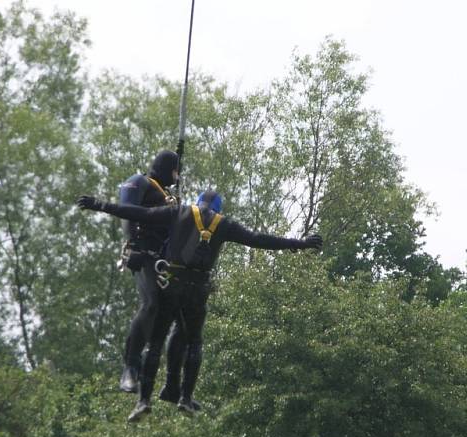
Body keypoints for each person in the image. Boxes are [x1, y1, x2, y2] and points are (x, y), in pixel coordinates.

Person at [77, 190, 323, 422]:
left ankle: (143, 401)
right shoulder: (224, 225)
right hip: (197, 290)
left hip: (171, 284)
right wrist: (299, 243)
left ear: (198, 201)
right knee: (193, 342)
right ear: (217, 208)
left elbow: (139, 213)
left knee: (155, 343)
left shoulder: (179, 212)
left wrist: (99, 205)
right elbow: (258, 239)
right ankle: (185, 397)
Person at [116, 149, 180, 393]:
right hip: (142, 254)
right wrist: (132, 244)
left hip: (163, 261)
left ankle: (149, 365)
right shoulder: (140, 182)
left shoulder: (168, 196)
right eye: (175, 171)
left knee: (171, 312)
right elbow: (127, 212)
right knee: (150, 303)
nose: (176, 177)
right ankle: (130, 368)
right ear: (167, 167)